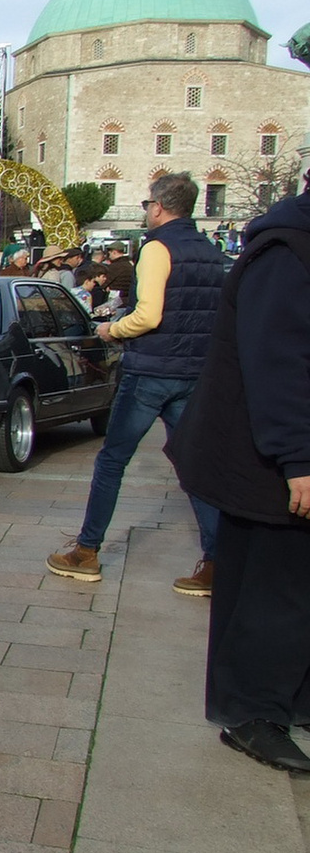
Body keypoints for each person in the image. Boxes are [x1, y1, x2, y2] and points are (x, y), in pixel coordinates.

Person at [167, 181, 310, 773]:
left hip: (274, 452)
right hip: (269, 459)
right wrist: (298, 457)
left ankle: (287, 701)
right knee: (272, 591)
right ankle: (253, 714)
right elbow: (277, 357)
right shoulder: (290, 248)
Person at [46, 172, 225, 594]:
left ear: (159, 207)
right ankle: (217, 561)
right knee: (192, 463)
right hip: (194, 371)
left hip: (152, 369)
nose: (147, 211)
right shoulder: (209, 249)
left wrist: (113, 330)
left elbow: (149, 315)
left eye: (147, 204)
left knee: (112, 461)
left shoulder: (157, 248)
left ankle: (86, 550)